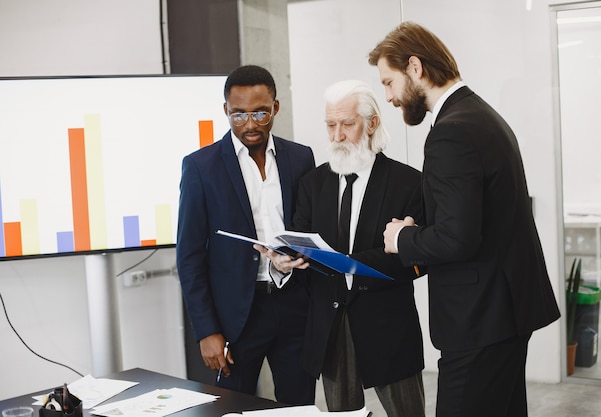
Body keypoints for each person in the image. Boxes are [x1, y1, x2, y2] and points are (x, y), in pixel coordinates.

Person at [368, 22, 561, 417]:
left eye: (389, 82)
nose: (387, 97)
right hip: (504, 311)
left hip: (479, 320)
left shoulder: (450, 133)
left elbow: (458, 237)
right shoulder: (480, 114)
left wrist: (403, 238)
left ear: (416, 68)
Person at [257, 80, 426, 417]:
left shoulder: (409, 182)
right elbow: (300, 240)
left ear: (372, 123)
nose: (336, 136)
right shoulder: (313, 182)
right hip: (329, 327)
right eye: (330, 125)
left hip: (388, 327)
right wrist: (282, 261)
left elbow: (417, 257)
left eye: (347, 124)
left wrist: (347, 263)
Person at [176, 65, 316, 405]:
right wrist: (207, 331)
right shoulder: (200, 166)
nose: (250, 124)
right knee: (231, 408)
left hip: (294, 305)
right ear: (226, 110)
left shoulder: (300, 157)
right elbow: (190, 256)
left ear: (275, 108)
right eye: (238, 115)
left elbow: (309, 228)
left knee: (299, 407)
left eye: (260, 113)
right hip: (235, 316)